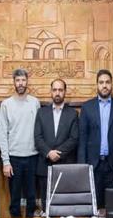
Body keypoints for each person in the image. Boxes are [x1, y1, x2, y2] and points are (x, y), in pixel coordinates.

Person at [78, 69, 113, 209]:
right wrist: (82, 165)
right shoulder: (87, 107)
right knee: (94, 206)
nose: (104, 85)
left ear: (111, 84)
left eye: (107, 82)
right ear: (97, 85)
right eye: (101, 82)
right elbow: (82, 139)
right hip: (93, 166)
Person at [0, 69, 41, 218]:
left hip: (33, 157)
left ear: (27, 81)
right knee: (15, 199)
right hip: (13, 159)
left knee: (32, 197)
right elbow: (2, 134)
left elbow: (39, 130)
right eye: (18, 80)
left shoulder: (35, 103)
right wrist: (6, 161)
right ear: (14, 82)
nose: (21, 83)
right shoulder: (6, 104)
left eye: (23, 80)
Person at [34, 78, 79, 207]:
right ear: (51, 92)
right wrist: (49, 152)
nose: (57, 93)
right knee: (46, 204)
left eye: (60, 90)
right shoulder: (41, 113)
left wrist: (58, 153)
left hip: (65, 165)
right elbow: (37, 137)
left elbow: (74, 138)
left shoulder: (73, 114)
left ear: (65, 92)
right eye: (55, 90)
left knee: (64, 204)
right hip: (45, 165)